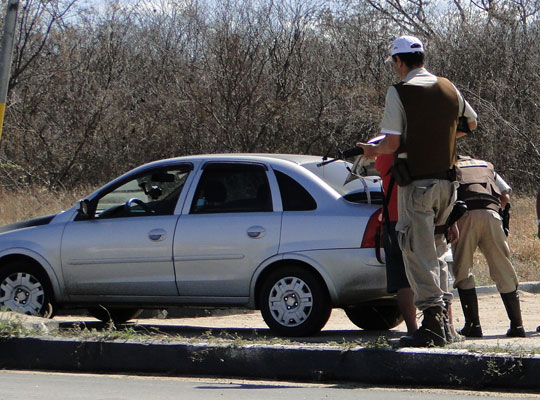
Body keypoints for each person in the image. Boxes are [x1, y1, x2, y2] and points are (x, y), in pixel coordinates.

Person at [358, 35, 477, 347]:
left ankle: (433, 322)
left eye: (394, 63)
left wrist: (372, 153)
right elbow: (471, 122)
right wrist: (437, 139)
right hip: (448, 184)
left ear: (399, 62)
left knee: (416, 252)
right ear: (422, 57)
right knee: (438, 251)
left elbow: (392, 143)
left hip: (417, 184)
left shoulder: (399, 92)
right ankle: (447, 326)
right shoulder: (448, 87)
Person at [452, 156, 525, 338]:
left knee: (463, 270)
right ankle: (517, 326)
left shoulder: (451, 166)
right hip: (492, 216)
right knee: (503, 269)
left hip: (465, 216)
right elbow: (505, 196)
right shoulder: (486, 166)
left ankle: (473, 325)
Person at [375, 153, 418, 335]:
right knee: (434, 272)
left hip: (394, 219)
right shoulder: (419, 151)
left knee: (402, 279)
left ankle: (413, 330)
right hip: (420, 217)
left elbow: (376, 167)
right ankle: (443, 327)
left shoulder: (384, 155)